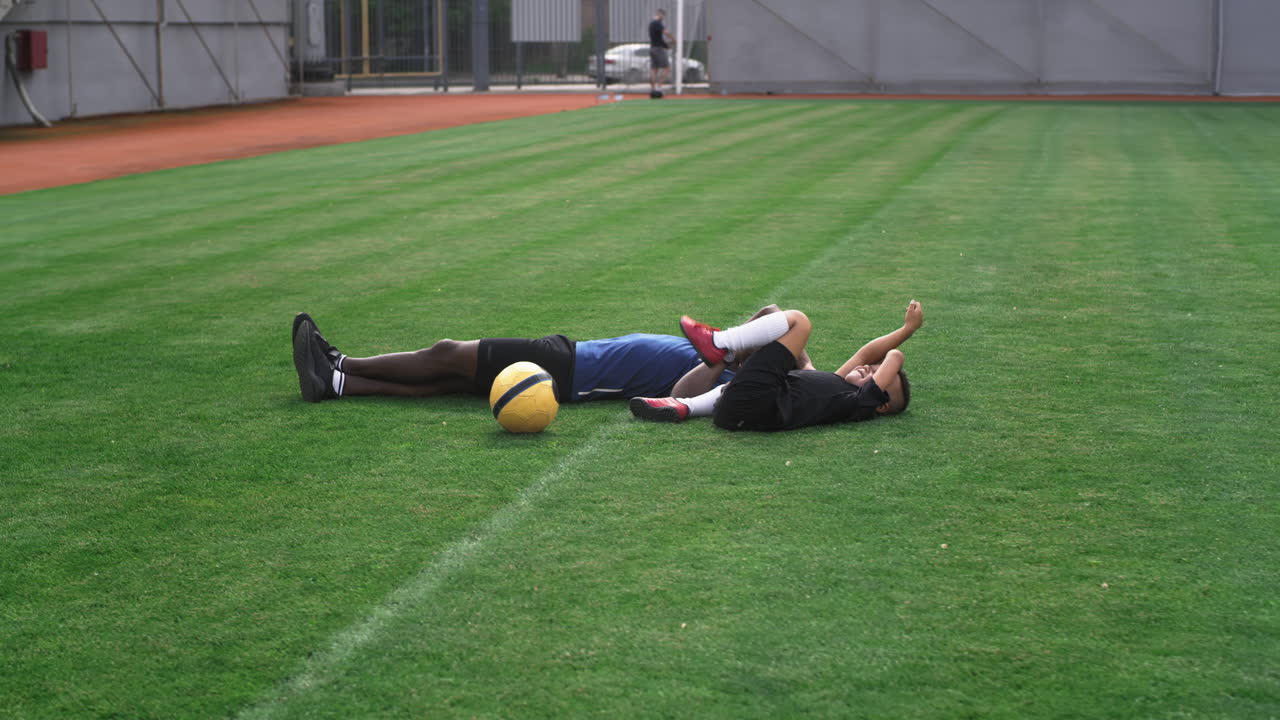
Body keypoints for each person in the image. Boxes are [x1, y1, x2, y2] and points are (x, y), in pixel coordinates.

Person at [289, 307, 781, 405]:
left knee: (448, 354)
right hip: (571, 362)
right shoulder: (728, 351)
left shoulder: (719, 375)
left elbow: (679, 394)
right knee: (451, 383)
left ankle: (341, 362)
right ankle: (335, 384)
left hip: (569, 369)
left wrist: (723, 359)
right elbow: (774, 311)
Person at [629, 301, 923, 430]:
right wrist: (906, 330)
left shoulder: (859, 404)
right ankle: (686, 406)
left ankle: (719, 343)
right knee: (738, 385)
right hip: (736, 415)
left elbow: (893, 357)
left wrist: (894, 359)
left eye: (876, 375)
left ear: (881, 403)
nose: (869, 368)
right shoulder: (836, 386)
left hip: (758, 405)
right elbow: (866, 352)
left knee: (799, 321)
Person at [648, 9, 674, 98]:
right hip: (658, 49)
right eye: (663, 16)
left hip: (652, 48)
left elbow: (658, 38)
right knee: (666, 68)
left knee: (654, 69)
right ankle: (658, 88)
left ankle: (653, 89)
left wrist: (666, 45)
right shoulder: (657, 23)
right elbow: (665, 33)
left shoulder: (651, 24)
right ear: (660, 15)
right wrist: (673, 39)